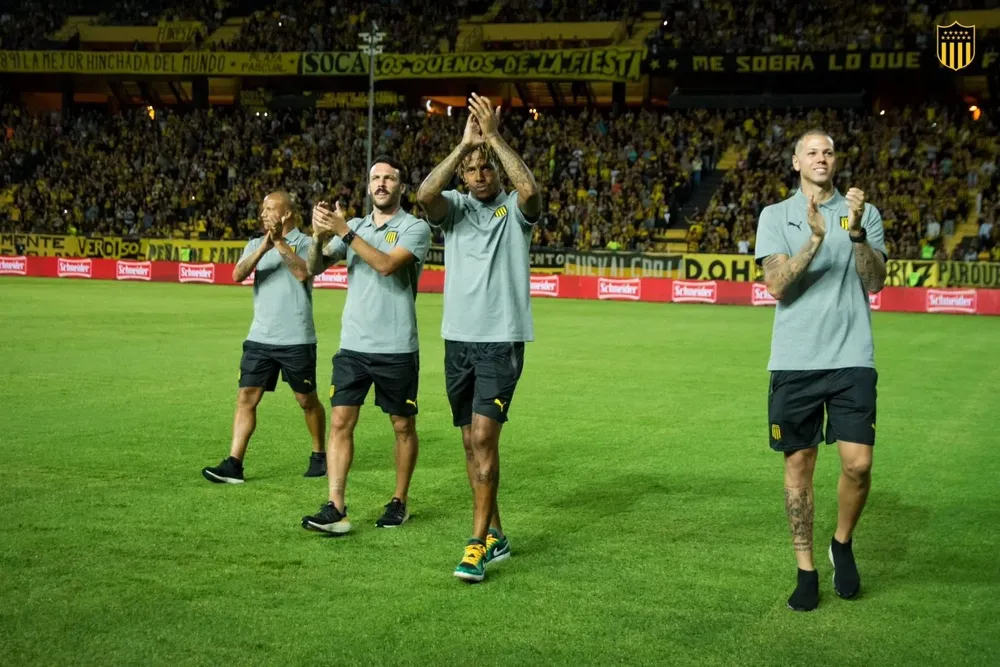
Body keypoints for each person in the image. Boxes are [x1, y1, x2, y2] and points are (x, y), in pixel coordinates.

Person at [754, 129, 888, 612]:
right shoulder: (776, 216)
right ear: (796, 162)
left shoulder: (863, 213)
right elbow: (776, 285)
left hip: (853, 355)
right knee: (799, 465)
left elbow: (873, 282)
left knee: (858, 464)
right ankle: (806, 569)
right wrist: (814, 239)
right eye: (812, 151)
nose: (821, 158)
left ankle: (843, 541)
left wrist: (853, 232)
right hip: (795, 359)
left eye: (828, 151)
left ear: (836, 160)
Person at [415, 93, 541, 583]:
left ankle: (475, 545)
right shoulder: (456, 212)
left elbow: (529, 188)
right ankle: (497, 534)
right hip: (457, 341)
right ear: (464, 178)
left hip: (501, 340)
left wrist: (492, 138)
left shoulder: (515, 209)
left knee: (485, 436)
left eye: (486, 167)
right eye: (472, 169)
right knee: (471, 444)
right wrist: (463, 145)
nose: (480, 173)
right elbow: (426, 195)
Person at [300, 156, 431, 534]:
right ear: (368, 185)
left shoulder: (415, 227)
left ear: (401, 187)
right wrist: (317, 236)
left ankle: (399, 501)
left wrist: (342, 232)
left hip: (396, 346)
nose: (382, 183)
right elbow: (314, 268)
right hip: (353, 345)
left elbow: (388, 265)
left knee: (402, 425)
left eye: (389, 178)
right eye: (376, 177)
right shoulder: (355, 226)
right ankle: (336, 507)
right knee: (341, 419)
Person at [202, 191, 328, 484]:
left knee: (306, 400)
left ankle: (319, 454)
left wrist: (280, 242)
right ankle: (234, 463)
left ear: (287, 214)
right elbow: (237, 274)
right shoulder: (254, 243)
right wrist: (264, 246)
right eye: (262, 209)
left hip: (296, 338)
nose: (263, 213)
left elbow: (303, 273)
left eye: (269, 208)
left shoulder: (308, 243)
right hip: (260, 337)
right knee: (246, 397)